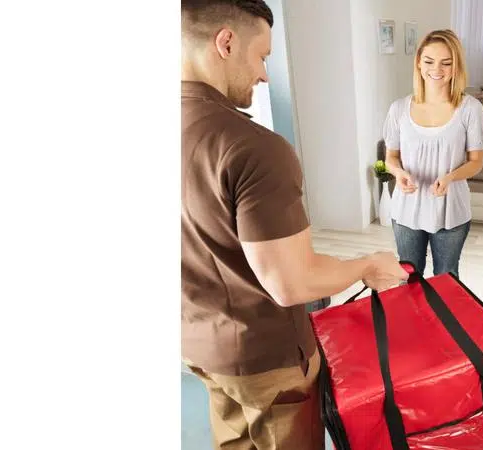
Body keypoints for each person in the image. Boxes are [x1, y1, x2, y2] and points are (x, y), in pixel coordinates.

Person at [181, 1, 409, 449]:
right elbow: (292, 282)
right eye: (261, 56)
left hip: (198, 344)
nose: (264, 75)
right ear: (226, 43)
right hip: (266, 359)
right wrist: (367, 266)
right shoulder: (252, 146)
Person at [382, 29, 483, 278]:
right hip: (407, 209)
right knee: (409, 277)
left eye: (446, 63)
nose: (436, 69)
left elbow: (476, 162)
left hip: (451, 209)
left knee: (446, 278)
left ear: (456, 66)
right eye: (429, 61)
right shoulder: (399, 109)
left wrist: (450, 177)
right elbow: (391, 157)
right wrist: (398, 173)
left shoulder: (470, 109)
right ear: (419, 63)